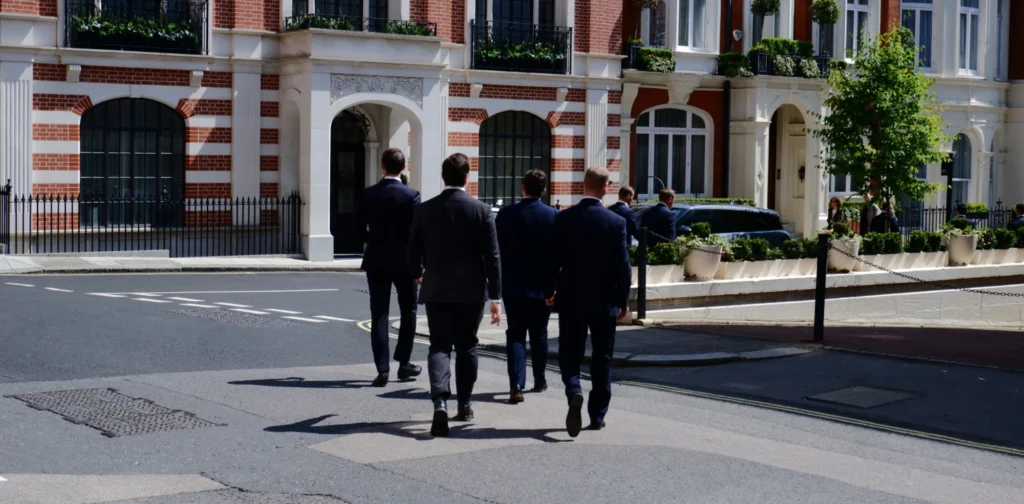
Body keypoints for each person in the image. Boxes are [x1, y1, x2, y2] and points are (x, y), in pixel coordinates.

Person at [407, 153, 502, 437]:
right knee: (467, 346)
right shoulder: (482, 210)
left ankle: (440, 402)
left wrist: (417, 272)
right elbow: (493, 256)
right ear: (466, 177)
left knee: (439, 346)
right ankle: (465, 403)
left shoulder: (424, 210)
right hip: (472, 291)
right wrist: (496, 297)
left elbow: (411, 250)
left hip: (436, 288)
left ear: (442, 176)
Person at [545, 166, 631, 438]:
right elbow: (623, 266)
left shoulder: (564, 218)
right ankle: (597, 415)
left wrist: (550, 290)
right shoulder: (616, 222)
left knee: (569, 351)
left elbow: (553, 260)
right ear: (605, 188)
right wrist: (623, 301)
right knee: (602, 357)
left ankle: (574, 390)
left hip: (571, 297)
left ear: (584, 185)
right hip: (605, 300)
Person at [354, 148, 421, 387]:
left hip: (377, 258)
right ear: (403, 168)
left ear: (382, 167)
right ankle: (404, 364)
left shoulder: (368, 194)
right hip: (405, 260)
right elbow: (416, 232)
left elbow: (358, 228)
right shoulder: (412, 195)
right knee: (408, 311)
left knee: (379, 313)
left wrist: (373, 241)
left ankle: (382, 370)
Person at [495, 170, 558, 402]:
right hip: (542, 287)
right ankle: (539, 379)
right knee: (539, 334)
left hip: (512, 285)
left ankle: (516, 386)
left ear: (523, 188)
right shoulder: (553, 216)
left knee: (515, 335)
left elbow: (497, 250)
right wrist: (553, 287)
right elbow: (557, 256)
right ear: (543, 190)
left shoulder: (505, 214)